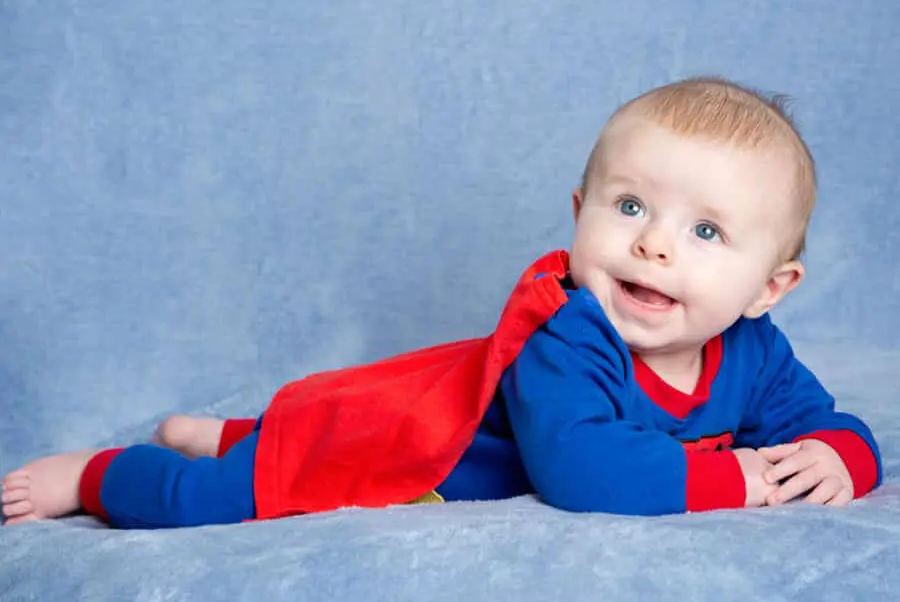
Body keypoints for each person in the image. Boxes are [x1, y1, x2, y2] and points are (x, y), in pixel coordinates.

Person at [1, 77, 882, 528]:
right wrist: (734, 477)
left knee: (306, 423)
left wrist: (844, 456)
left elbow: (823, 421)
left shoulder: (756, 357)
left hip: (422, 400)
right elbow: (586, 473)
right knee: (229, 495)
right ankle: (102, 474)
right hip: (415, 441)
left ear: (771, 289)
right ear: (579, 218)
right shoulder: (569, 337)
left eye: (705, 233)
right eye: (630, 207)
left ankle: (228, 431)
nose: (654, 242)